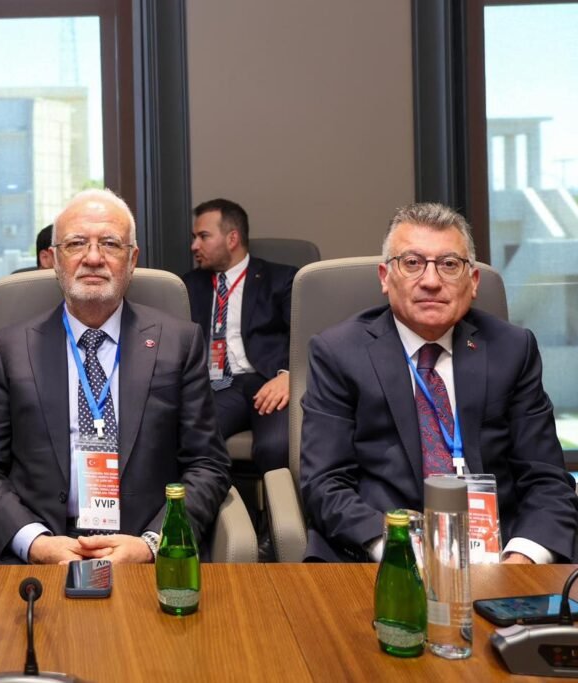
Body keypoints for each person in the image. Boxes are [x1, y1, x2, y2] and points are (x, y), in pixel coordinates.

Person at [0, 189, 230, 565]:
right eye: (75, 244)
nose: (92, 258)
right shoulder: (11, 348)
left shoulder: (179, 343)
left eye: (110, 243)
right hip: (38, 547)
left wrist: (152, 544)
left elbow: (207, 465)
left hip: (139, 545)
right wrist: (34, 542)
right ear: (55, 258)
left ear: (131, 259)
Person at [300, 202, 578, 563]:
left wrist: (522, 558)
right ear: (385, 277)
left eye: (449, 264)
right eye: (412, 263)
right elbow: (324, 483)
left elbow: (546, 478)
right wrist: (397, 549)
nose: (431, 281)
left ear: (473, 282)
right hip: (382, 552)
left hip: (500, 553)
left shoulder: (512, 349)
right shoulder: (338, 352)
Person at [182, 199, 295, 473]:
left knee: (276, 446)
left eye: (203, 236)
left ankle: (275, 503)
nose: (194, 246)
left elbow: (309, 336)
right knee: (191, 440)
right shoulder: (188, 285)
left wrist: (290, 376)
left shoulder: (281, 279)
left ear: (232, 238)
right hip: (215, 386)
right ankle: (214, 501)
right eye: (194, 237)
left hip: (267, 381)